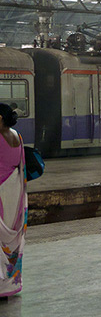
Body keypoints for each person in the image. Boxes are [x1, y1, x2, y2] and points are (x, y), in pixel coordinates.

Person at [0, 103, 26, 299]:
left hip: (1, 191)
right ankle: (9, 283)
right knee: (8, 241)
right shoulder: (17, 136)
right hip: (14, 191)